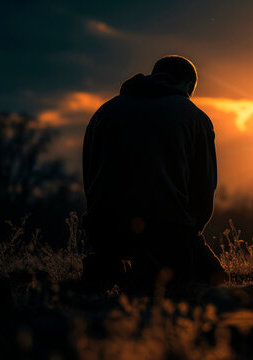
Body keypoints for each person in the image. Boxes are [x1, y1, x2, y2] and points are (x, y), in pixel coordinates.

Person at [82, 55, 227, 290]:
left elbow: (90, 174)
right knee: (213, 278)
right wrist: (192, 232)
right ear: (188, 86)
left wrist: (100, 223)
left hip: (106, 228)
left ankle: (109, 265)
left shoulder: (104, 112)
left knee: (124, 269)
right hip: (169, 229)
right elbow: (204, 185)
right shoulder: (194, 117)